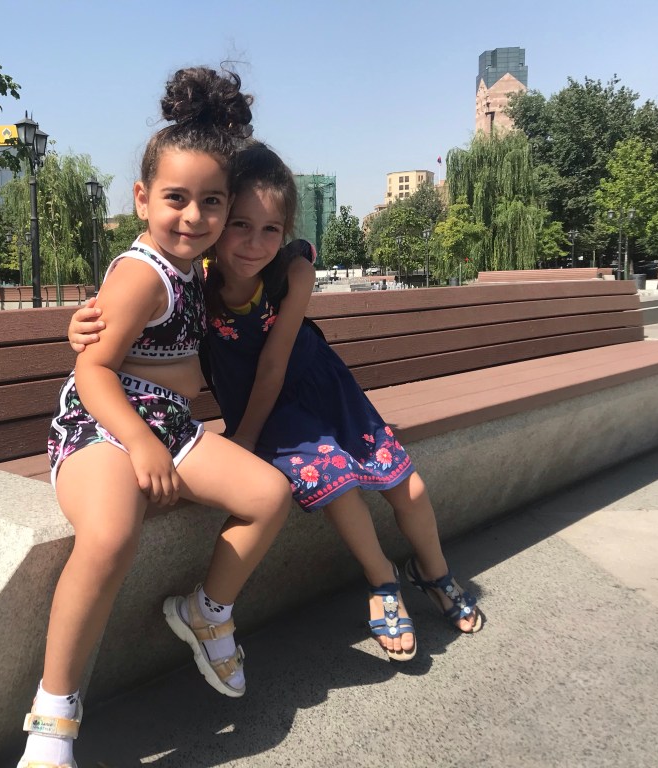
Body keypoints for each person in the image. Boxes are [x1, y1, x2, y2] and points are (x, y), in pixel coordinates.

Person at [69, 141, 483, 669]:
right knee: (337, 483)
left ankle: (434, 573)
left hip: (315, 387)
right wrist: (79, 325)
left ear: (286, 232)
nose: (254, 243)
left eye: (271, 230)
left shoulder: (292, 274)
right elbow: (130, 313)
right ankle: (382, 582)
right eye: (240, 225)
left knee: (411, 487)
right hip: (264, 409)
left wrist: (244, 437)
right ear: (222, 221)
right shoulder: (198, 277)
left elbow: (275, 363)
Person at [17, 70, 292, 768]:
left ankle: (208, 611)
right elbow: (93, 371)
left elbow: (262, 257)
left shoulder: (193, 269)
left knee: (269, 494)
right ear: (142, 199)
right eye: (176, 199)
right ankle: (53, 716)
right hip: (104, 424)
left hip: (169, 426)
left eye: (211, 202)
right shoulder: (143, 274)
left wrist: (300, 260)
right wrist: (139, 445)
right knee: (111, 536)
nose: (193, 217)